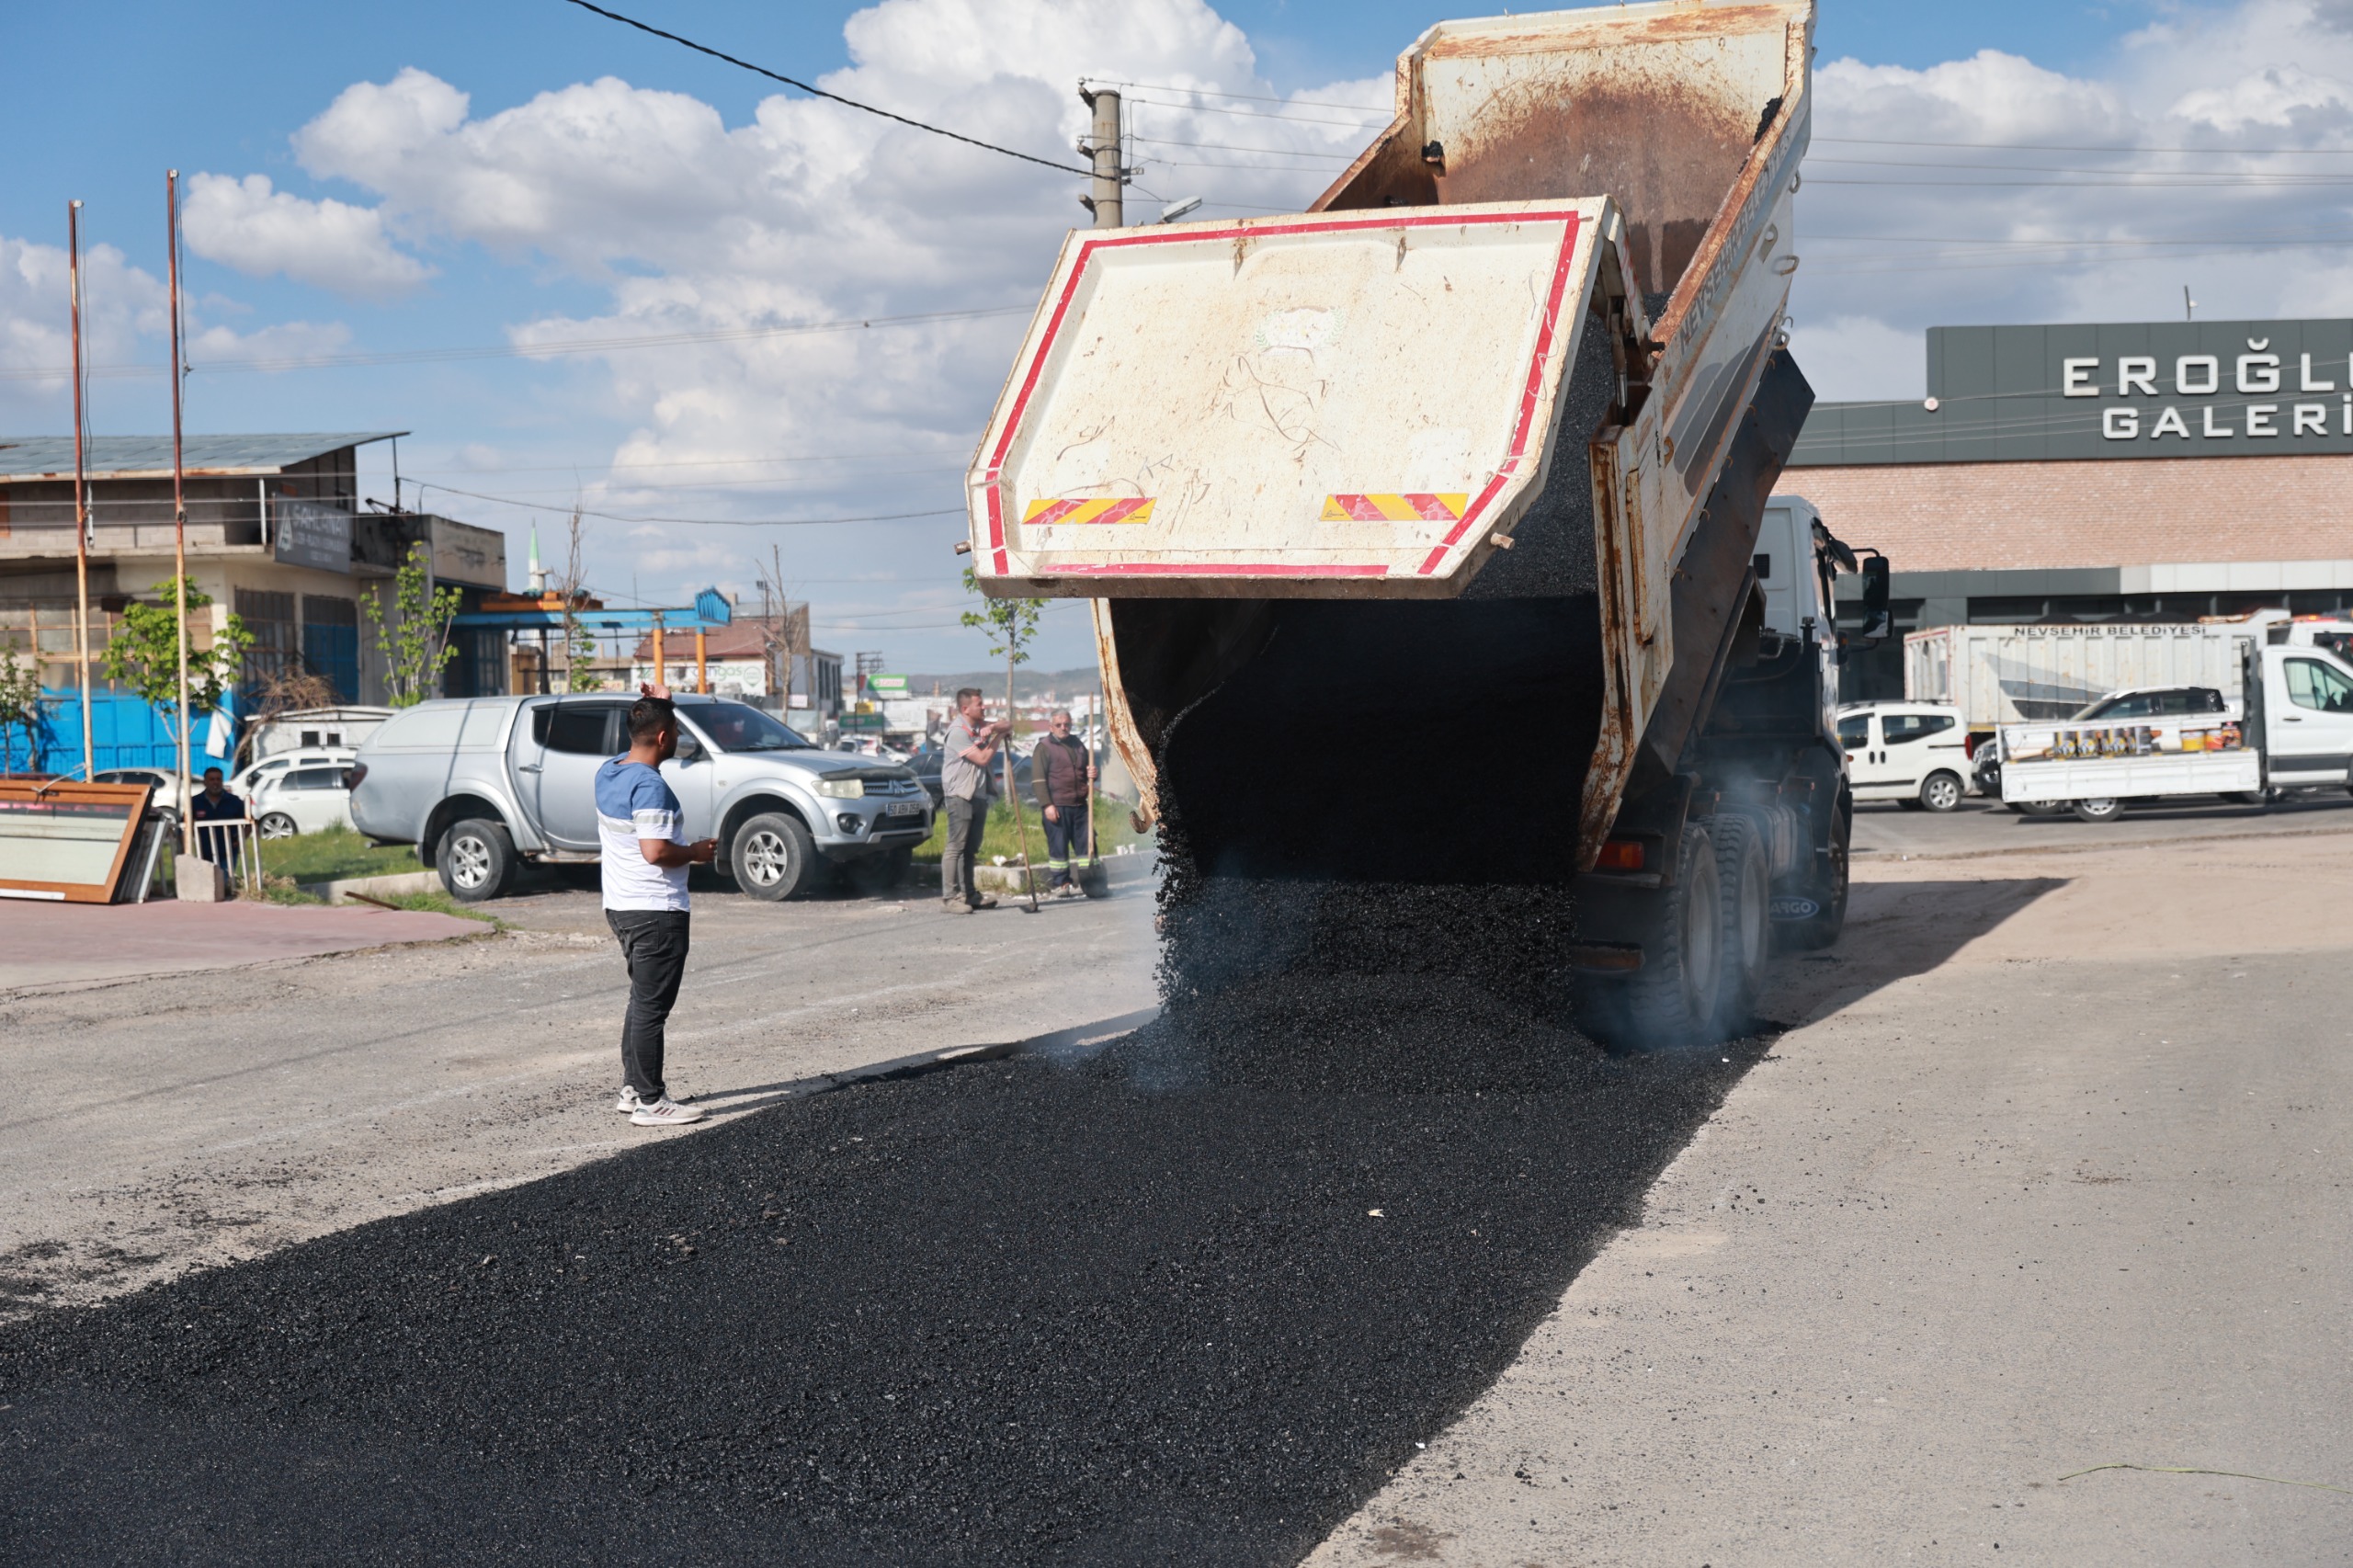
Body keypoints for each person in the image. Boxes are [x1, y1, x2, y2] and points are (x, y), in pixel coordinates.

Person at [597, 687, 718, 1127]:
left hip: (622, 907)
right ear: (664, 738)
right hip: (656, 911)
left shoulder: (610, 771)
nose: (678, 737)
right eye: (676, 731)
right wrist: (696, 853)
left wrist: (662, 704)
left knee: (641, 1002)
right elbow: (655, 851)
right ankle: (651, 1102)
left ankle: (634, 1089)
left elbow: (643, 733)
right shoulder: (651, 787)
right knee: (651, 1009)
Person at [940, 687, 1008, 913]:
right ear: (965, 709)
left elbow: (1008, 724)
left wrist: (994, 728)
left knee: (970, 849)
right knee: (956, 847)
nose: (984, 707)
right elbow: (982, 758)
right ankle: (950, 898)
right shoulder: (958, 732)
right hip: (960, 795)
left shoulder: (978, 726)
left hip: (978, 794)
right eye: (979, 704)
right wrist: (998, 737)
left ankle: (970, 895)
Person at [1031, 709, 1097, 898]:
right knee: (1059, 847)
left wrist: (1093, 773)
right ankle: (1062, 883)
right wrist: (1047, 805)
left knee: (1087, 845)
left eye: (1067, 724)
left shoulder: (1078, 744)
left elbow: (1086, 771)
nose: (1063, 728)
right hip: (1057, 805)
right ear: (1051, 727)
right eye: (1059, 725)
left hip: (1080, 805)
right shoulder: (1043, 748)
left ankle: (1091, 882)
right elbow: (1038, 780)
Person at [188, 767, 246, 871]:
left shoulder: (234, 801)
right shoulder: (195, 802)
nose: (215, 782)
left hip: (228, 851)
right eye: (212, 779)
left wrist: (240, 839)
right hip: (204, 851)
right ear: (205, 782)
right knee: (207, 878)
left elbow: (250, 822)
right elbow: (185, 824)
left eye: (218, 779)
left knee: (225, 878)